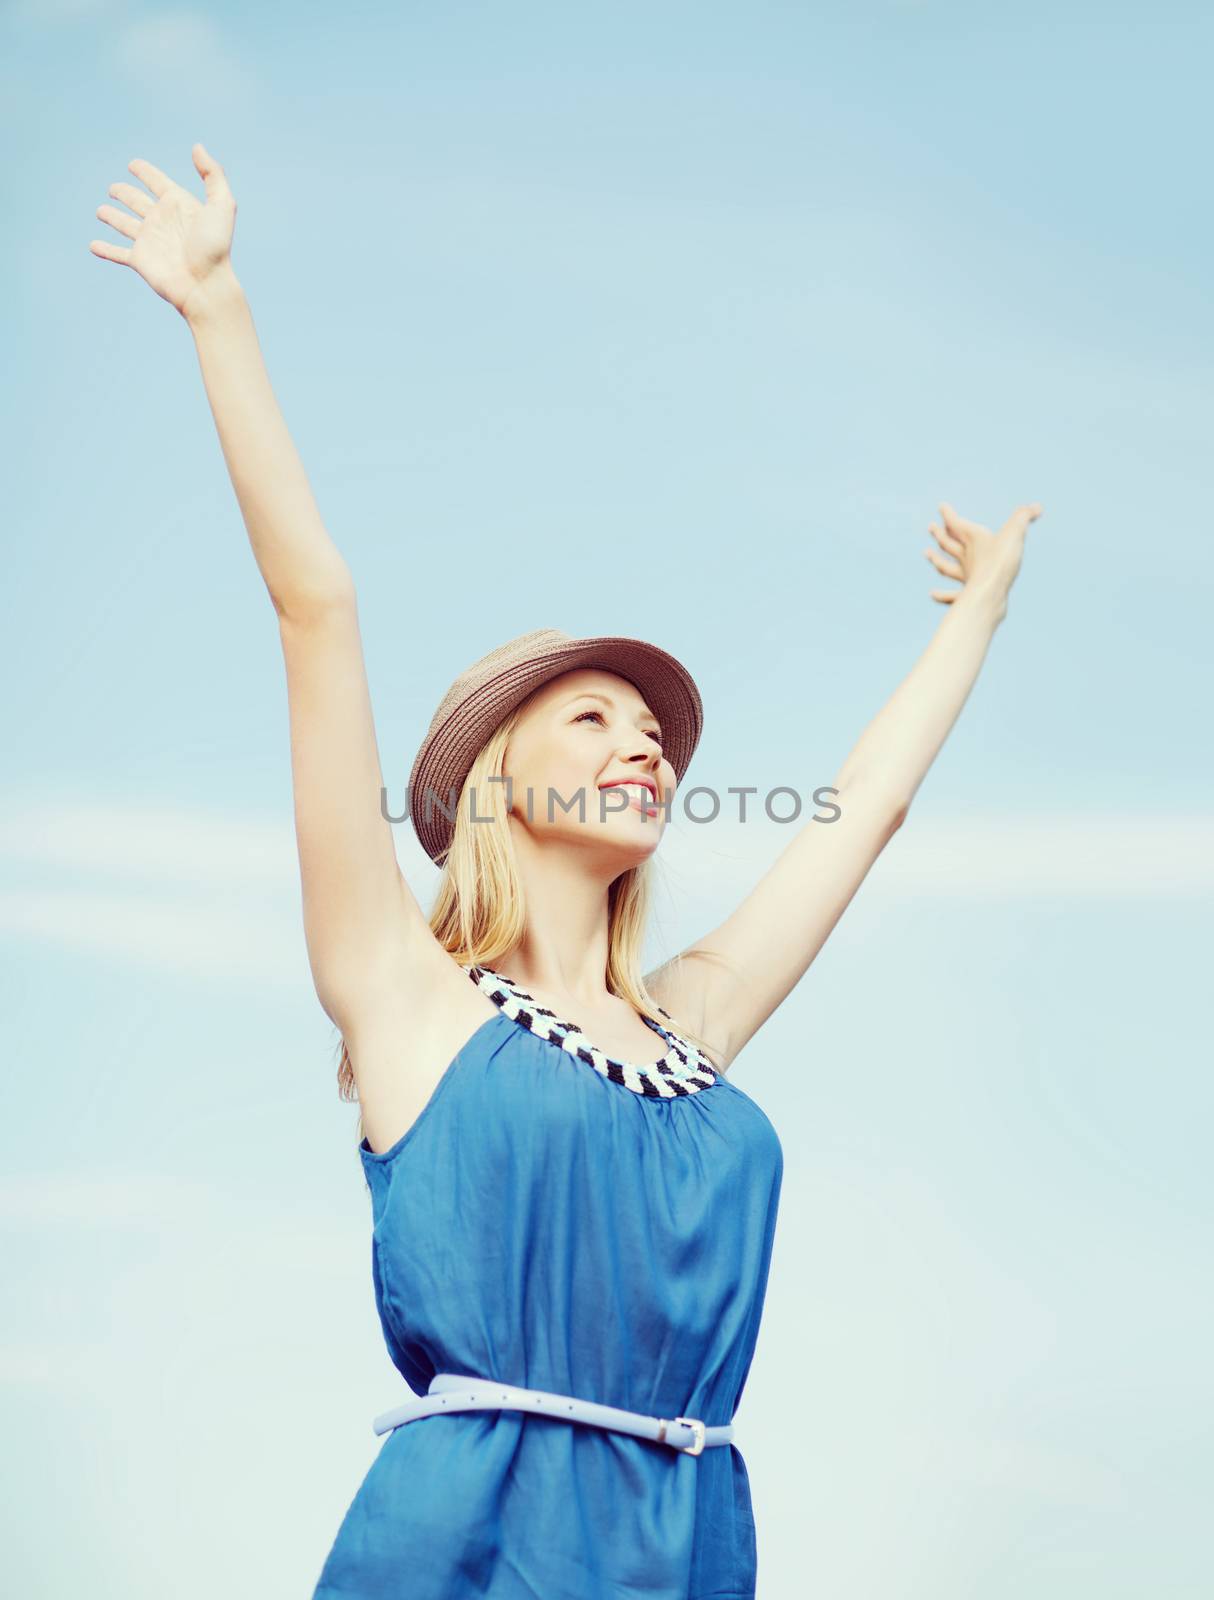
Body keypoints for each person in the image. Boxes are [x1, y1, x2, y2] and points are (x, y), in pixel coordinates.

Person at [89, 144, 1044, 1600]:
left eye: (654, 731)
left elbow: (861, 812)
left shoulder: (692, 1027)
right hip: (472, 1546)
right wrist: (217, 310)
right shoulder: (405, 998)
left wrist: (974, 613)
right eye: (590, 718)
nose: (642, 744)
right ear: (494, 782)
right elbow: (316, 611)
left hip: (687, 1540)